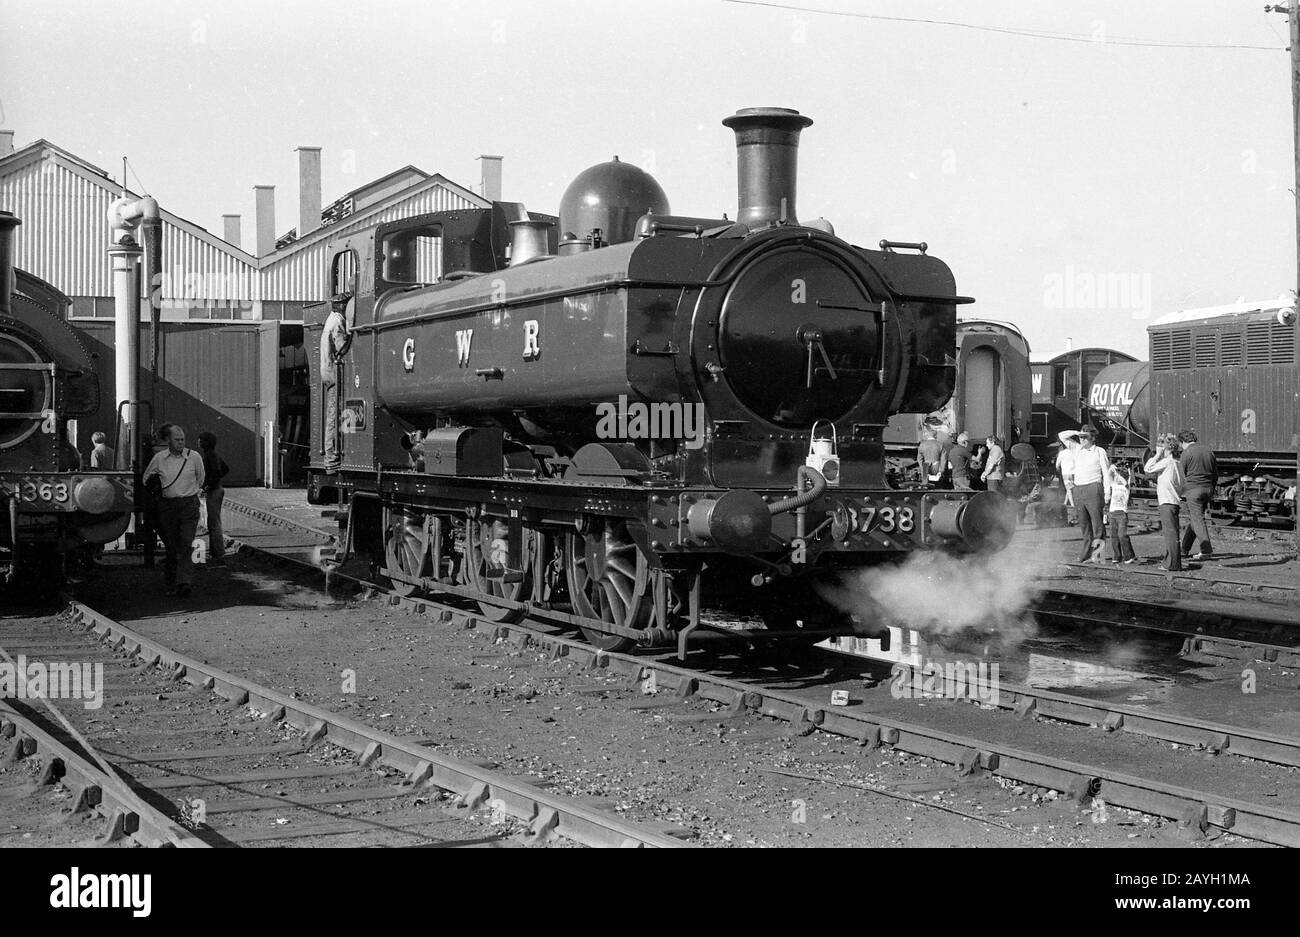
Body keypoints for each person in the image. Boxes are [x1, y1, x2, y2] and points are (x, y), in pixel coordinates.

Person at [143, 424, 205, 596]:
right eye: (177, 440)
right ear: (168, 441)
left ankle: (184, 582)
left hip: (188, 505)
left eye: (182, 439)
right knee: (171, 546)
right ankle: (171, 580)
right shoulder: (159, 459)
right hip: (167, 506)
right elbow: (146, 479)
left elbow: (201, 480)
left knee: (186, 543)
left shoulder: (194, 457)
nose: (180, 443)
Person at [1068, 427, 1111, 563]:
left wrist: (1107, 492)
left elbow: (1106, 472)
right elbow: (1062, 436)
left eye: (1085, 437)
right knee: (1084, 524)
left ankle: (1098, 555)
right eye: (1081, 437)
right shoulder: (1077, 449)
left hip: (1094, 487)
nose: (1082, 439)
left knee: (1097, 524)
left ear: (1092, 438)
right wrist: (1077, 432)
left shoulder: (1099, 451)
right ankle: (1086, 553)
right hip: (1079, 488)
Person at [1144, 433, 1185, 572]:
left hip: (1166, 502)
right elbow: (1182, 485)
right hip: (1174, 501)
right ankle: (1171, 562)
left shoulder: (1167, 462)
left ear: (1167, 449)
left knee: (1170, 534)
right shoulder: (1178, 463)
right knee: (1173, 533)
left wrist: (1156, 455)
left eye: (1163, 447)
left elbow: (1147, 468)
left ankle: (1172, 564)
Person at [320, 296, 352, 474]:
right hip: (334, 372)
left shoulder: (330, 319)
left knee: (334, 414)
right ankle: (331, 459)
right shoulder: (338, 322)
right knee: (334, 415)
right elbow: (342, 347)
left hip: (329, 371)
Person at [1178, 429, 1218, 560]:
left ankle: (1206, 550)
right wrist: (1212, 489)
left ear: (1183, 442)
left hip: (1193, 490)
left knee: (1197, 519)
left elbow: (1180, 474)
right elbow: (1215, 474)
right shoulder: (1208, 451)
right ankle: (1184, 549)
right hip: (1207, 489)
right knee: (1195, 519)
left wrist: (1179, 491)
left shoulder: (1186, 453)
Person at [197, 431, 230, 568]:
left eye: (200, 440)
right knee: (214, 521)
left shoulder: (208, 456)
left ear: (205, 442)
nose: (198, 442)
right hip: (218, 489)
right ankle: (216, 552)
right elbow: (225, 469)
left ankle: (218, 553)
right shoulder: (214, 454)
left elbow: (216, 472)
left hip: (214, 491)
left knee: (214, 523)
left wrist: (207, 485)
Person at [1106, 465, 1137, 564]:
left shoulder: (1126, 487)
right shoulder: (1114, 485)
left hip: (1122, 514)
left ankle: (1129, 556)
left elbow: (1124, 481)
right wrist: (1111, 468)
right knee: (1114, 536)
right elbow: (1108, 476)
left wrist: (1118, 474)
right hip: (1113, 513)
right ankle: (1117, 556)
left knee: (1122, 535)